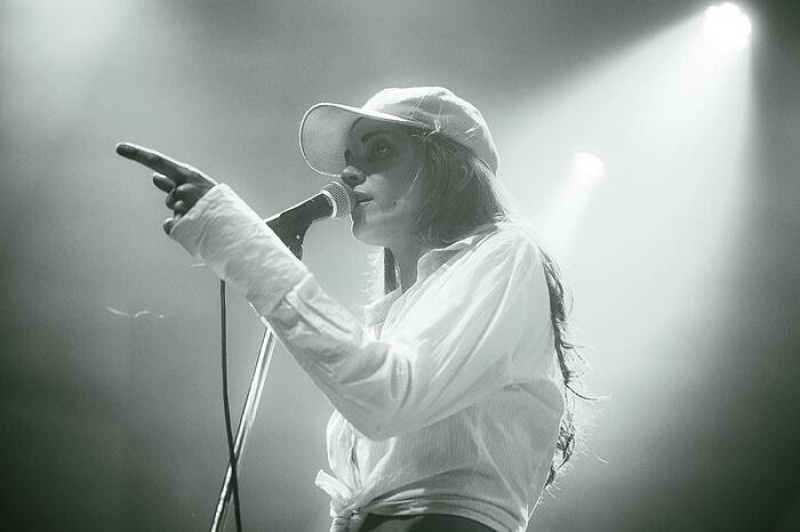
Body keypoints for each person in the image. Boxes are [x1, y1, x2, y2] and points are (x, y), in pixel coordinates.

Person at [117, 86, 586, 532]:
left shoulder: (506, 253)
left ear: (454, 170)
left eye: (379, 150)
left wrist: (246, 247)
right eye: (348, 157)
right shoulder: (396, 317)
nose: (347, 173)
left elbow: (387, 397)